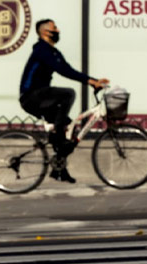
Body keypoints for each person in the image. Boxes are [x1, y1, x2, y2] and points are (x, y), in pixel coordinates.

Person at [19, 19, 109, 183]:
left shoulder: (53, 52)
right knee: (68, 94)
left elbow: (68, 69)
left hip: (42, 97)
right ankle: (58, 134)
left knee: (69, 132)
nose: (58, 30)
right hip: (31, 96)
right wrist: (90, 81)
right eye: (55, 28)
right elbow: (62, 71)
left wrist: (93, 81)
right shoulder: (42, 50)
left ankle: (59, 169)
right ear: (45, 32)